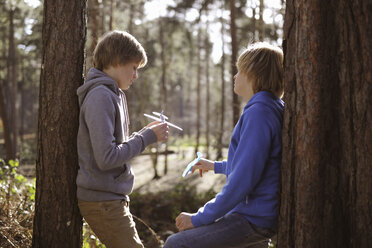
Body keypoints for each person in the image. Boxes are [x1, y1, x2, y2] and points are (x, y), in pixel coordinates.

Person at [164, 42, 284, 248]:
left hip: (252, 218)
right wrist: (215, 166)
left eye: (240, 71)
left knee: (176, 244)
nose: (235, 76)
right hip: (258, 214)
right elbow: (257, 163)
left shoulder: (259, 113)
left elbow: (243, 179)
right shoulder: (269, 108)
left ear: (254, 75)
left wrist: (199, 217)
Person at [76, 30, 169, 248]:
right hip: (101, 200)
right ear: (117, 61)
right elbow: (107, 157)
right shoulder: (100, 96)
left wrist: (145, 133)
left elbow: (116, 147)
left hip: (109, 198)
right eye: (134, 68)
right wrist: (146, 137)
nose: (136, 75)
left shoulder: (114, 94)